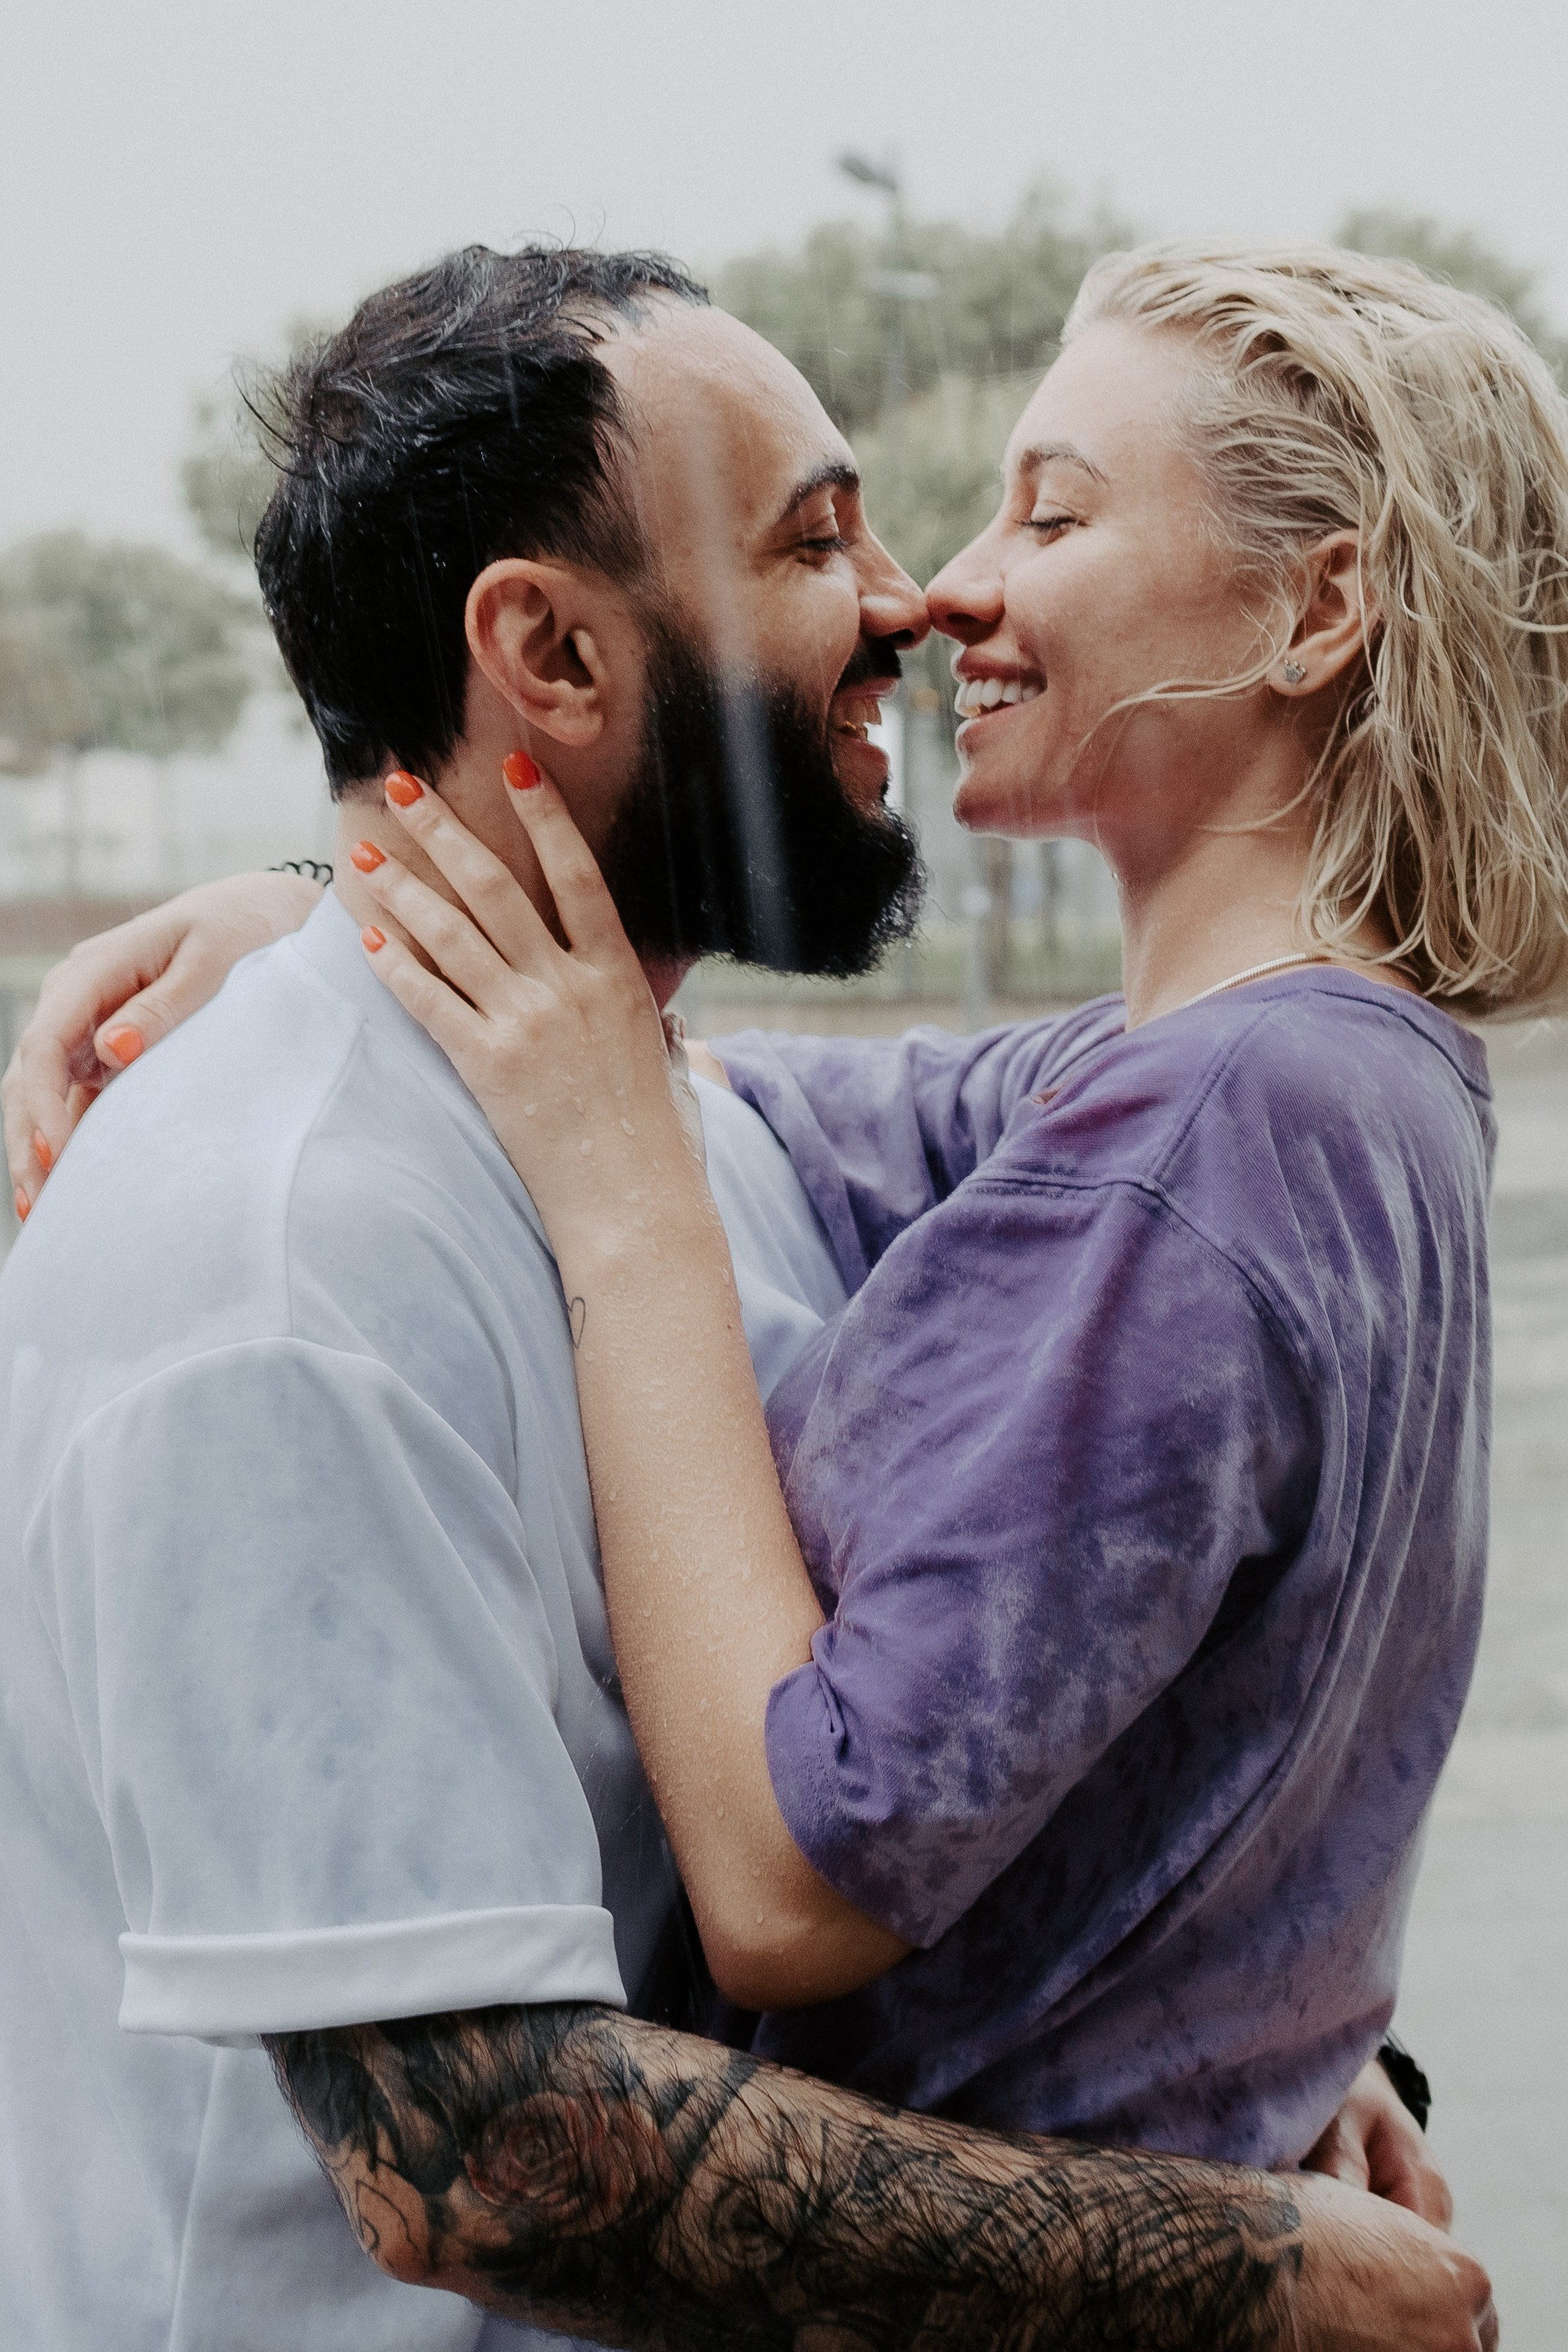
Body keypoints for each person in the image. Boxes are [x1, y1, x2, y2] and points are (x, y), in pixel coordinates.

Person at [0, 245, 1491, 2352]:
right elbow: (482, 2153)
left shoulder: (648, 1115)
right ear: (549, 650)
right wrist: (1230, 2267)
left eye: (1022, 516)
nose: (913, 598)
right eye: (816, 538)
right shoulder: (275, 1267)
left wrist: (1211, 2036)